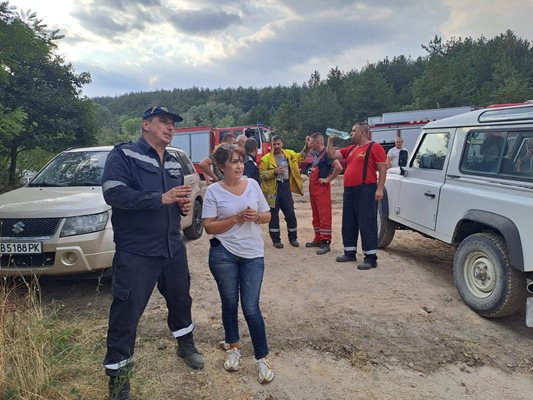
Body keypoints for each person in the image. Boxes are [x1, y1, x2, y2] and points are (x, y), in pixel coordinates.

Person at [101, 105, 204, 400]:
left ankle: (185, 345)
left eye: (172, 123)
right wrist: (160, 198)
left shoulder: (173, 162)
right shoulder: (123, 155)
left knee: (182, 300)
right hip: (137, 251)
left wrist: (181, 205)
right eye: (163, 122)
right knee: (126, 313)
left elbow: (175, 197)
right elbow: (114, 193)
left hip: (172, 246)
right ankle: (118, 381)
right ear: (145, 124)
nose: (170, 127)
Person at [201, 144, 274, 384]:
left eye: (241, 160)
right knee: (230, 303)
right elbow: (209, 226)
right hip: (223, 254)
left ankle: (262, 358)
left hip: (252, 254)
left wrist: (256, 217)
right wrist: (234, 218)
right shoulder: (213, 191)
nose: (239, 165)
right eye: (233, 161)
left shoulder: (252, 185)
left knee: (251, 307)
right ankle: (233, 347)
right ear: (221, 167)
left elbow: (267, 215)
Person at [327, 122, 387, 270]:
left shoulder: (374, 147)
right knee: (349, 222)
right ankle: (349, 252)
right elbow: (333, 155)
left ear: (362, 132)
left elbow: (383, 169)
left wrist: (380, 189)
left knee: (367, 223)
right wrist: (330, 141)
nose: (351, 133)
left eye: (354, 130)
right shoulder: (352, 149)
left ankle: (370, 258)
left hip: (366, 190)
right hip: (349, 191)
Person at [259, 134, 310, 248]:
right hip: (273, 190)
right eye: (274, 144)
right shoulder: (266, 159)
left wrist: (307, 147)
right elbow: (261, 175)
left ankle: (293, 238)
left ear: (282, 144)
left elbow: (302, 156)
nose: (276, 146)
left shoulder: (290, 154)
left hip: (285, 187)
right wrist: (274, 172)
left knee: (290, 214)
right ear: (271, 145)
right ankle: (276, 240)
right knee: (274, 216)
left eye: (278, 144)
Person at [305, 132, 342, 255]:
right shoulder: (316, 155)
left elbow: (338, 167)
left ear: (319, 142)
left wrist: (328, 179)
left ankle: (326, 242)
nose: (311, 144)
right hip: (313, 189)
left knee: (324, 215)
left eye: (313, 142)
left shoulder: (326, 154)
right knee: (316, 216)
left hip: (322, 190)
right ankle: (318, 239)